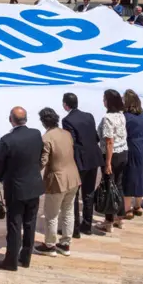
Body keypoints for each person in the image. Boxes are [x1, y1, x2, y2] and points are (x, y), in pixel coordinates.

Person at [0, 107, 45, 270]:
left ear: (11, 119)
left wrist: (1, 177)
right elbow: (39, 155)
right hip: (34, 186)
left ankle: (11, 261)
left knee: (15, 225)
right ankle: (25, 258)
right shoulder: (36, 134)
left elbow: (0, 163)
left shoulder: (7, 140)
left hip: (16, 189)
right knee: (30, 223)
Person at [35, 108, 80, 256]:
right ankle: (65, 244)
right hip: (73, 177)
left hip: (57, 180)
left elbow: (43, 161)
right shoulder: (66, 133)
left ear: (43, 121)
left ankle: (49, 245)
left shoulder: (46, 137)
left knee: (51, 214)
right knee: (68, 212)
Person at [61, 92, 101, 236]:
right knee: (88, 193)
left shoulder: (67, 120)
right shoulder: (89, 116)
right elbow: (95, 137)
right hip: (93, 158)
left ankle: (75, 228)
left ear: (66, 105)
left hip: (79, 161)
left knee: (73, 195)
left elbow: (70, 142)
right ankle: (87, 225)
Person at [97, 90, 128, 231]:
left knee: (109, 186)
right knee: (119, 185)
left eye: (104, 99)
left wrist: (107, 163)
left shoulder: (107, 118)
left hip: (112, 155)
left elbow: (109, 141)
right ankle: (119, 218)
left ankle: (108, 221)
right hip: (123, 152)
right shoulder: (121, 115)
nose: (103, 101)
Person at [121, 89, 143, 216]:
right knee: (141, 175)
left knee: (129, 177)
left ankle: (127, 209)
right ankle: (138, 206)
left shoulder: (126, 117)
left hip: (132, 146)